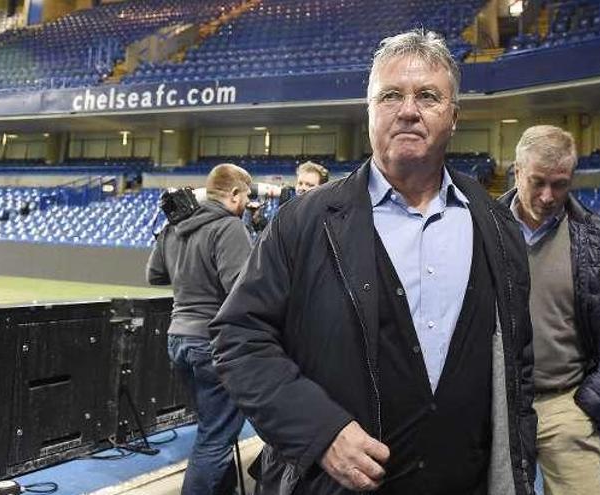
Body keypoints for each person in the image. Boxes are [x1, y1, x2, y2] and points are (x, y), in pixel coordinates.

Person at [210, 29, 536, 495]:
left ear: (454, 116)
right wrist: (319, 431)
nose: (407, 110)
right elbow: (238, 338)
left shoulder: (498, 227)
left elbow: (517, 369)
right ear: (369, 113)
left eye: (427, 95)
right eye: (390, 96)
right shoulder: (306, 221)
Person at [498, 125, 600, 495]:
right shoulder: (482, 229)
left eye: (560, 184)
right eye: (538, 182)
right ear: (517, 171)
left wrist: (592, 400)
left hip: (567, 403)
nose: (548, 196)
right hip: (497, 405)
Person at [146, 163, 253, 495]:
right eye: (246, 197)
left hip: (178, 340)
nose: (248, 205)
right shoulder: (228, 227)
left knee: (211, 427)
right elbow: (241, 288)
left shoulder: (174, 227)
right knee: (215, 437)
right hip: (212, 342)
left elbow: (155, 276)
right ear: (234, 193)